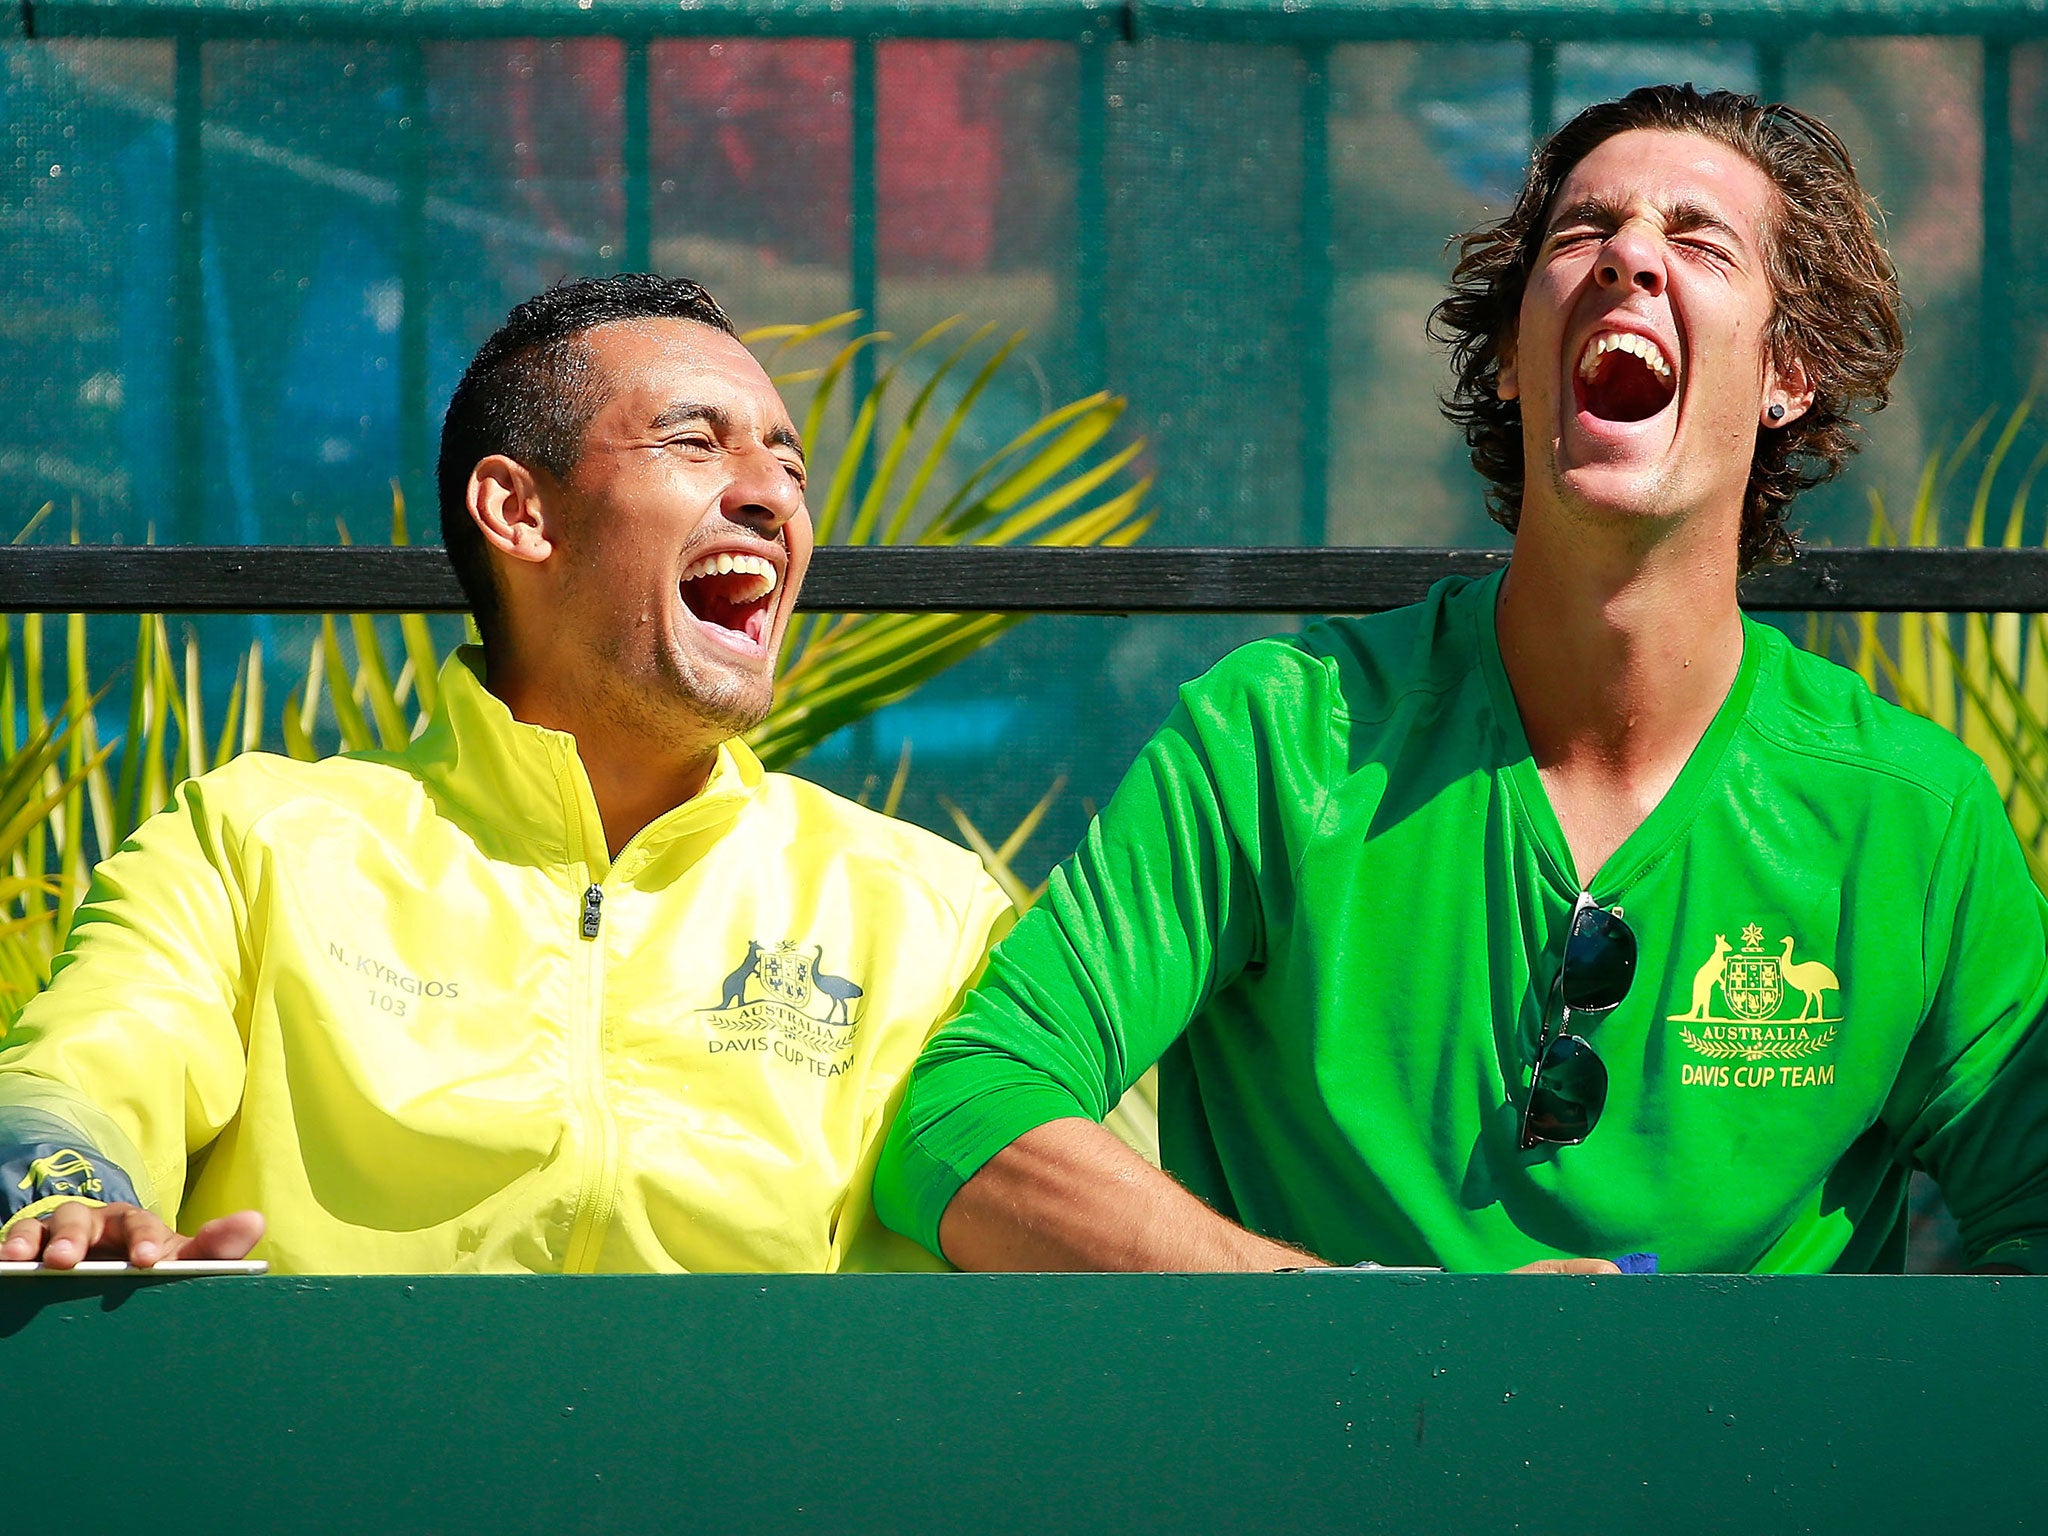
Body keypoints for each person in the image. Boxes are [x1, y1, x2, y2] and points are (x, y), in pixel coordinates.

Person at [873, 85, 2048, 1275]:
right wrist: (1371, 1330)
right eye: (1583, 233)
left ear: (1786, 374)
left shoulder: (1913, 815)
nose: (1628, 258)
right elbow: (967, 1117)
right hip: (1323, 1458)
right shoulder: (1279, 738)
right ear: (1503, 360)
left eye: (1696, 242)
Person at [0, 274, 1011, 1274]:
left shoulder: (927, 912)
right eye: (693, 442)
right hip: (323, 1437)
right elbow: (80, 1074)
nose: (768, 496)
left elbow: (1040, 1222)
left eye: (787, 466)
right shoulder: (256, 845)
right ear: (518, 510)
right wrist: (65, 1198)